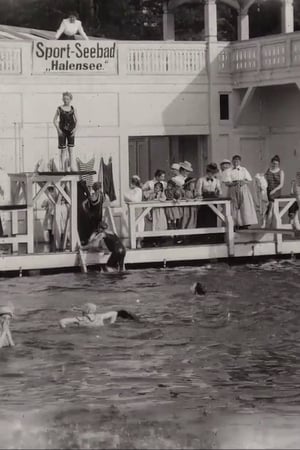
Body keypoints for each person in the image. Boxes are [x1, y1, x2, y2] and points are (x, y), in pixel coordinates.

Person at [226, 155, 257, 230]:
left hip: (243, 189)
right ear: (232, 161)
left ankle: (244, 223)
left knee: (244, 205)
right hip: (233, 188)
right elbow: (226, 183)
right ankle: (235, 224)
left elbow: (249, 180)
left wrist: (243, 182)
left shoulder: (243, 169)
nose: (236, 162)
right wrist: (233, 184)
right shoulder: (229, 171)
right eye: (234, 161)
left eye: (237, 161)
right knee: (234, 205)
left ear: (240, 162)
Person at [59, 303, 138, 329]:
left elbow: (62, 321)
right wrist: (111, 324)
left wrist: (64, 330)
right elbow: (114, 313)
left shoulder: (80, 319)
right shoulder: (100, 316)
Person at [53, 92, 78, 172]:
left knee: (71, 149)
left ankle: (72, 167)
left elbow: (77, 121)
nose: (65, 100)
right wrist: (58, 130)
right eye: (64, 99)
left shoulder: (73, 109)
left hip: (71, 130)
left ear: (70, 99)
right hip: (62, 131)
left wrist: (75, 130)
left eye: (67, 99)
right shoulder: (59, 108)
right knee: (63, 150)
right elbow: (54, 120)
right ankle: (63, 168)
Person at [196, 163, 222, 233]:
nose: (211, 174)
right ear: (207, 172)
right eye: (210, 172)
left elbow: (219, 190)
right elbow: (198, 191)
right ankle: (203, 235)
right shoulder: (201, 179)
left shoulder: (216, 180)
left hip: (213, 199)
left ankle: (212, 235)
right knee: (204, 217)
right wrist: (200, 196)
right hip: (204, 199)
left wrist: (218, 192)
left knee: (212, 216)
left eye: (213, 173)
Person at [264, 155, 285, 227]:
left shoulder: (281, 172)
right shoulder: (268, 170)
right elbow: (264, 181)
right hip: (268, 189)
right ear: (271, 163)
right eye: (273, 163)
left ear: (278, 164)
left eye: (276, 164)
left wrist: (274, 190)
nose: (274, 165)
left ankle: (268, 225)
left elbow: (281, 184)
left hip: (276, 190)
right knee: (266, 206)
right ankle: (266, 223)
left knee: (271, 206)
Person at [124, 175, 144, 249]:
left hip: (138, 209)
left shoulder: (138, 190)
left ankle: (139, 242)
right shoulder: (130, 190)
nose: (131, 184)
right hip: (131, 210)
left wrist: (127, 197)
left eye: (133, 182)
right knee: (132, 225)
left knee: (139, 225)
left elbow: (135, 199)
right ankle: (133, 242)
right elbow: (125, 198)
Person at [41, 186, 56, 252]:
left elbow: (42, 205)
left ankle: (52, 241)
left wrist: (46, 206)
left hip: (53, 214)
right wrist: (46, 207)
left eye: (50, 190)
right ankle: (52, 241)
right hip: (50, 214)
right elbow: (42, 205)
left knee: (52, 228)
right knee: (51, 228)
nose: (50, 192)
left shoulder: (53, 198)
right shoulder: (49, 199)